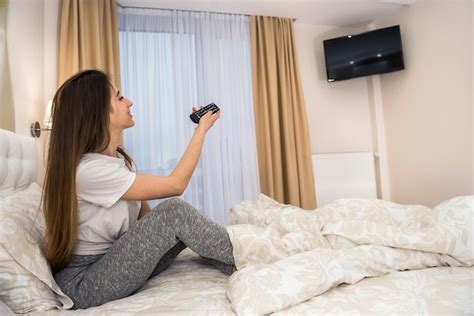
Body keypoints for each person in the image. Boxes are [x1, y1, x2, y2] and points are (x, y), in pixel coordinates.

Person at [42, 69, 235, 309]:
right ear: (98, 111)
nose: (129, 102)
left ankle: (232, 261)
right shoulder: (88, 171)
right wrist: (201, 130)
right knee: (174, 212)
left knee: (180, 225)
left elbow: (147, 217)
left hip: (114, 260)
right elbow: (176, 186)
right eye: (120, 97)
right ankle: (244, 253)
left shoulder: (120, 161)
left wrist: (181, 230)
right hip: (86, 281)